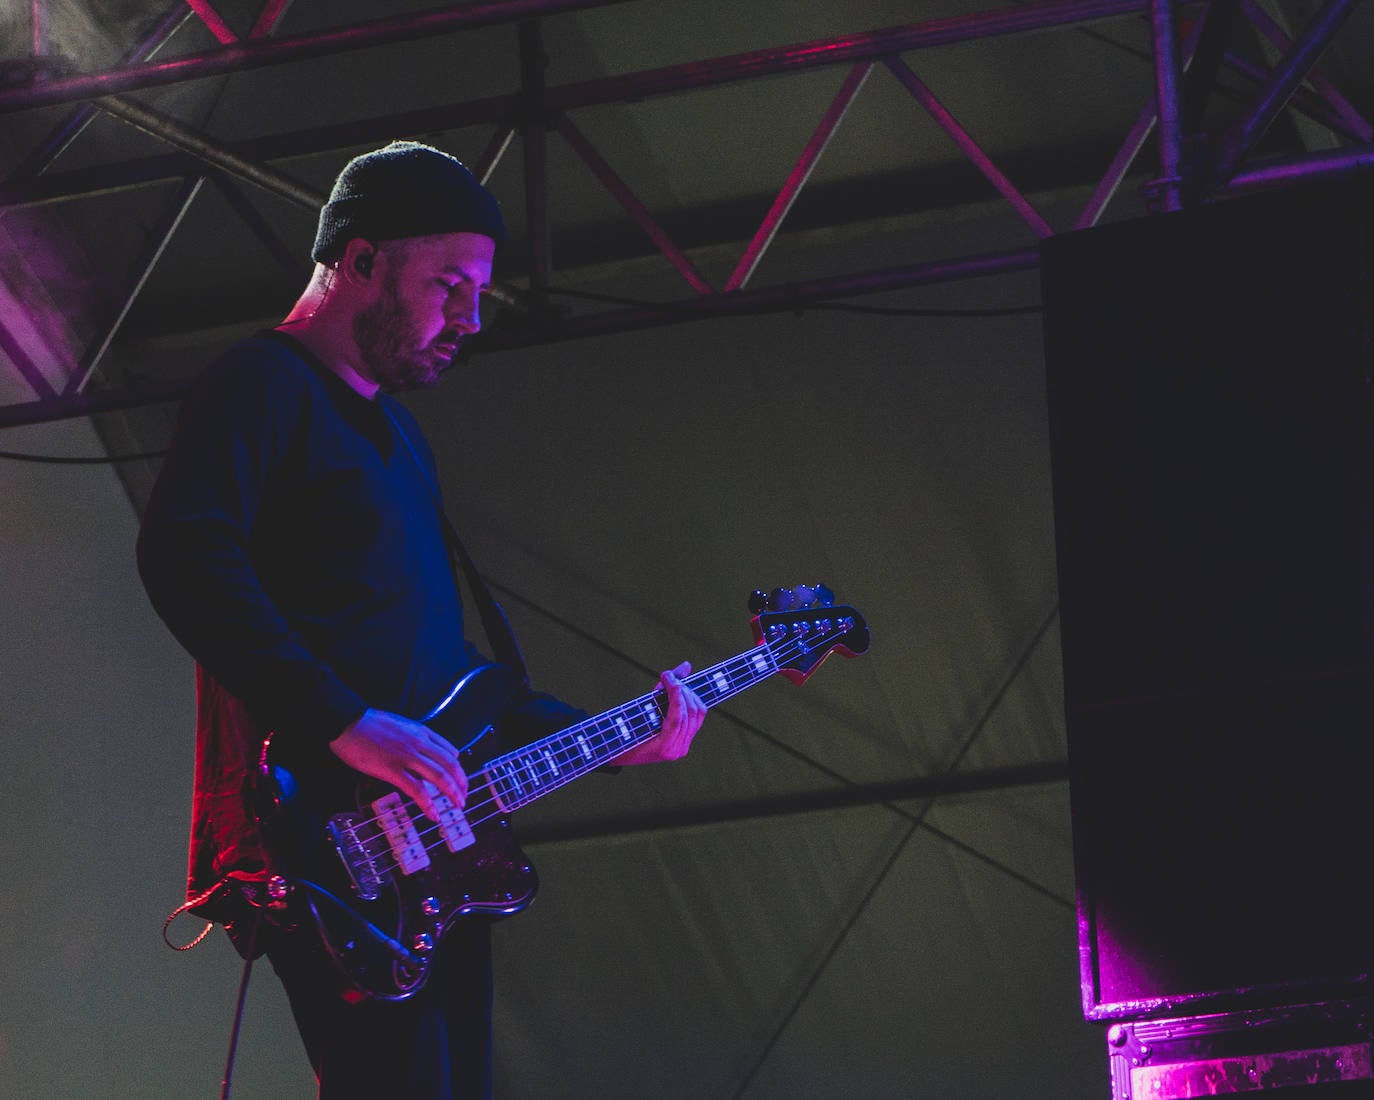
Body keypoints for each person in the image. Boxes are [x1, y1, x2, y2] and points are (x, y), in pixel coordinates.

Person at [137, 140, 707, 1099]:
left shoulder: (399, 437)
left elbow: (456, 681)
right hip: (325, 846)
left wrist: (616, 741)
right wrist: (345, 723)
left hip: (421, 860)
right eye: (450, 284)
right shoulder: (262, 386)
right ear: (361, 262)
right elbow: (184, 558)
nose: (470, 318)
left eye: (478, 294)